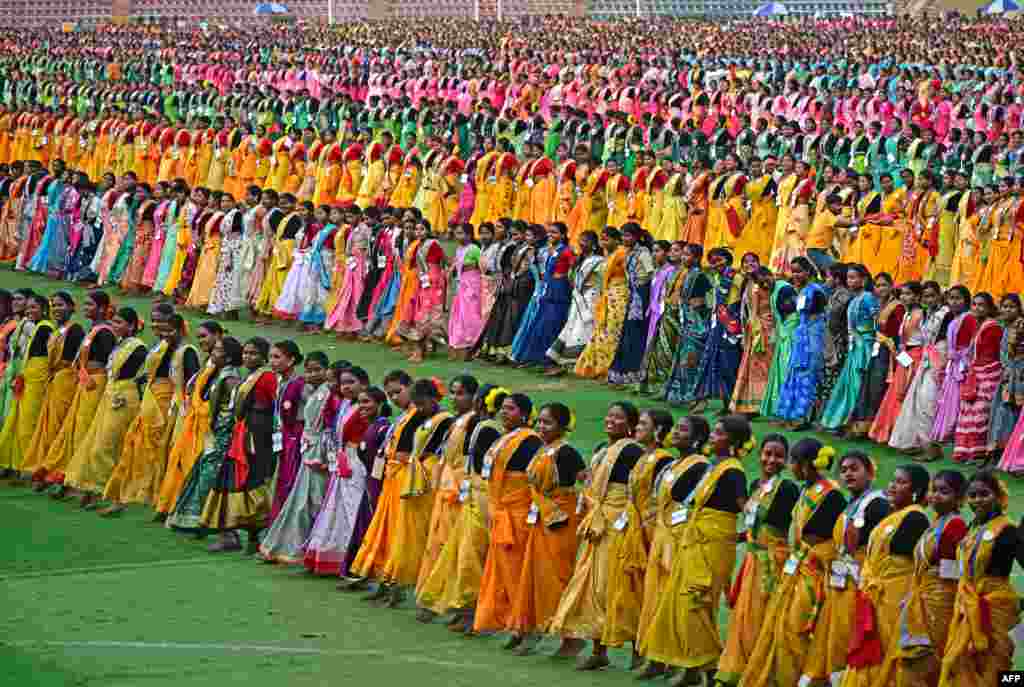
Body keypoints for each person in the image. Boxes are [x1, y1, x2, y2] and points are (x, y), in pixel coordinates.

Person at [639, 415, 749, 686]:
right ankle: (691, 668)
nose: (713, 436)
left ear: (733, 441)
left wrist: (745, 535)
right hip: (694, 541)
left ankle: (712, 669)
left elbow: (745, 506)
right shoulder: (714, 466)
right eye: (714, 432)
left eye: (720, 433)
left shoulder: (733, 470)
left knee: (695, 604)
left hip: (713, 544)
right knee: (681, 604)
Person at [740, 438, 846, 687]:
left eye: (793, 462)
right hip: (797, 566)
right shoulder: (806, 490)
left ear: (807, 465)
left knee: (798, 628)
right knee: (782, 626)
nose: (790, 467)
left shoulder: (830, 494)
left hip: (814, 571)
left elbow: (818, 536)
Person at [715, 434, 798, 686]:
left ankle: (760, 672)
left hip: (772, 562)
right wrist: (738, 537)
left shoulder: (787, 489)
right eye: (767, 453)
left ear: (786, 461)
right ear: (759, 454)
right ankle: (735, 669)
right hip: (752, 558)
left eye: (778, 455)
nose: (771, 459)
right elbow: (754, 524)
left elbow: (790, 529)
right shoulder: (754, 486)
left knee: (762, 617)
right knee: (742, 615)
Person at [839, 463, 931, 687]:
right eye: (893, 480)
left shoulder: (915, 519)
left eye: (901, 482)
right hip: (876, 594)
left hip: (894, 597)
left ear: (915, 491)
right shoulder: (895, 515)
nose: (892, 486)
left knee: (886, 649)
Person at [100, 311, 199, 516]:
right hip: (150, 401)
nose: (165, 335)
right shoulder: (161, 347)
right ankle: (128, 497)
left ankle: (160, 500)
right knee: (134, 449)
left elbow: (190, 383)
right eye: (162, 330)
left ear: (181, 330)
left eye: (170, 331)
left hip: (168, 406)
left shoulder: (186, 351)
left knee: (161, 453)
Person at [635, 415, 710, 680]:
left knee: (676, 603)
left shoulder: (701, 467)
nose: (677, 432)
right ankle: (657, 658)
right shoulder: (672, 465)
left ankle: (686, 664)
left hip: (681, 540)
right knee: (654, 599)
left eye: (683, 429)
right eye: (676, 428)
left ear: (698, 438)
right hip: (661, 536)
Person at [875, 470, 968, 687]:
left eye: (944, 492)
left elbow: (955, 573)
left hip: (939, 603)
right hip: (922, 599)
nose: (935, 496)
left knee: (924, 659)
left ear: (959, 498)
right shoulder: (936, 523)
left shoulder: (956, 525)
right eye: (933, 490)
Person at [808, 451, 891, 684]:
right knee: (835, 636)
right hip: (840, 581)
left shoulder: (878, 504)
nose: (848, 474)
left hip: (860, 583)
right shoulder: (851, 504)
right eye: (843, 470)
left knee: (849, 637)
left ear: (870, 472)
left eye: (854, 468)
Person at [602, 409, 675, 668]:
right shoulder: (644, 456)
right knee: (627, 590)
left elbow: (664, 500)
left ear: (658, 431)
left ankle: (651, 655)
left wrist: (647, 524)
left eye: (644, 424)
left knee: (648, 592)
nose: (639, 427)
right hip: (632, 529)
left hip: (649, 532)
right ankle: (633, 648)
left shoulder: (664, 460)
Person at [937, 470, 1023, 686]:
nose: (978, 500)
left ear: (998, 496)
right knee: (957, 662)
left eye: (984, 494)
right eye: (972, 495)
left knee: (996, 669)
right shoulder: (971, 528)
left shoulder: (1008, 529)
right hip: (966, 607)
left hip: (995, 609)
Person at [350, 371, 427, 604]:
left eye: (398, 391)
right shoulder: (403, 416)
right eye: (390, 394)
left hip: (403, 479)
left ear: (410, 388)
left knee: (398, 534)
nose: (394, 397)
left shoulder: (417, 417)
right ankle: (385, 581)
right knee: (385, 533)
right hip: (390, 479)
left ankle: (397, 584)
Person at [62, 308, 147, 511]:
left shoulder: (138, 347)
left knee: (108, 447)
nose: (115, 326)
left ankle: (115, 497)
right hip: (110, 396)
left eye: (119, 322)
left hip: (124, 399)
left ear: (132, 325)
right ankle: (97, 492)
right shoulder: (120, 345)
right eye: (114, 322)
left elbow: (145, 373)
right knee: (96, 444)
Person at [472, 393, 542, 635]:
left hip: (518, 516)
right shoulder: (505, 438)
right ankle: (509, 622)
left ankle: (525, 627)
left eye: (511, 409)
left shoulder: (531, 441)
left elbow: (533, 480)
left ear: (524, 414)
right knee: (501, 571)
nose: (504, 413)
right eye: (503, 408)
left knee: (517, 573)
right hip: (500, 511)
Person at [259, 350, 338, 563]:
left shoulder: (326, 394)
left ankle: (313, 548)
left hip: (319, 454)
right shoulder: (314, 390)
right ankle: (297, 546)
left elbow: (330, 428)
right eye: (309, 370)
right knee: (303, 501)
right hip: (307, 450)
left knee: (314, 501)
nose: (312, 374)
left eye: (318, 370)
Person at [200, 337, 277, 554]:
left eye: (253, 353)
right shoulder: (250, 376)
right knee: (234, 482)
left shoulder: (267, 377)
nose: (247, 357)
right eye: (245, 353)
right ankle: (236, 535)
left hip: (257, 437)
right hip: (243, 434)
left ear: (263, 357)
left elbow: (275, 407)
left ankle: (253, 537)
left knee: (250, 483)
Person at [33, 290, 115, 492]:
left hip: (94, 384)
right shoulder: (92, 329)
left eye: (90, 305)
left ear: (103, 308)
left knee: (83, 430)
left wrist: (89, 376)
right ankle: (64, 474)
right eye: (85, 304)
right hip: (84, 383)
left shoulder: (104, 331)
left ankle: (79, 479)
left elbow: (108, 361)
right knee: (72, 429)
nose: (86, 308)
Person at [414, 376, 479, 622]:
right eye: (452, 392)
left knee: (455, 549)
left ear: (474, 397)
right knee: (438, 545)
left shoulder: (475, 423)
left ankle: (460, 605)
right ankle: (441, 598)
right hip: (445, 486)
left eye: (460, 393)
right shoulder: (457, 421)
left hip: (459, 490)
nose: (455, 398)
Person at [166, 337, 243, 536]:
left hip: (222, 435)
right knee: (203, 474)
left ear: (227, 358)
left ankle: (203, 520)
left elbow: (236, 410)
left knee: (210, 477)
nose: (213, 353)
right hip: (214, 433)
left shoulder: (231, 378)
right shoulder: (221, 374)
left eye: (218, 350)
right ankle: (194, 519)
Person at [303, 365, 371, 574]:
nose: (346, 387)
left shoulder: (366, 407)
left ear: (364, 384)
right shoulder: (344, 405)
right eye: (343, 383)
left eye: (352, 382)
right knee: (336, 508)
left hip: (357, 463)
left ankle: (356, 560)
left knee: (352, 509)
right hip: (341, 461)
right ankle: (333, 556)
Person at [20, 292, 83, 483]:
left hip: (66, 379)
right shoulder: (58, 330)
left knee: (58, 424)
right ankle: (43, 465)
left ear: (72, 307)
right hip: (54, 379)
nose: (56, 309)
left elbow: (74, 360)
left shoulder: (75, 329)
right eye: (54, 305)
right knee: (47, 424)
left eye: (61, 305)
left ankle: (55, 468)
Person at [821, 264, 881, 432]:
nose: (850, 281)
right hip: (855, 346)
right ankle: (842, 421)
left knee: (857, 383)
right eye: (848, 277)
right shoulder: (854, 299)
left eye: (854, 277)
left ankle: (853, 423)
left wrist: (870, 341)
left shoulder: (868, 297)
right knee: (849, 383)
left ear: (864, 280)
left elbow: (877, 322)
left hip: (866, 346)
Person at [0, 292, 52, 476]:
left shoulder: (45, 328)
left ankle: (26, 467)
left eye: (34, 307)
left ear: (44, 309)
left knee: (27, 425)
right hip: (24, 376)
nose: (30, 311)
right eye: (28, 307)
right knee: (14, 421)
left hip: (36, 380)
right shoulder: (33, 325)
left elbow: (48, 357)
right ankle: (11, 464)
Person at [775, 257, 828, 429]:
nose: (795, 275)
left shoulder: (816, 291)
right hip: (801, 337)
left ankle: (803, 418)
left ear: (808, 271)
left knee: (808, 376)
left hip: (813, 337)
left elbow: (818, 316)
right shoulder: (803, 290)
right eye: (793, 271)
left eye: (799, 271)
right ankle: (790, 413)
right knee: (795, 374)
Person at [952, 293, 1004, 464]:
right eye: (974, 304)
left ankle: (979, 453)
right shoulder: (977, 325)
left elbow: (991, 356)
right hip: (976, 372)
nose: (976, 308)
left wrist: (978, 372)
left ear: (989, 308)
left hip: (988, 373)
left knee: (980, 414)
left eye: (981, 305)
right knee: (969, 412)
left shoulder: (993, 327)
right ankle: (969, 452)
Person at [574, 228, 628, 379]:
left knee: (613, 330)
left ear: (617, 240)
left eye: (606, 239)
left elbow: (630, 277)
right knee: (602, 329)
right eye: (601, 239)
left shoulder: (622, 253)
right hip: (607, 295)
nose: (603, 243)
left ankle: (608, 367)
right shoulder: (607, 255)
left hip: (620, 296)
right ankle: (595, 365)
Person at [267, 339, 307, 523]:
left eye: (277, 357)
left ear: (291, 361)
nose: (272, 361)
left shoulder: (300, 384)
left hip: (295, 438)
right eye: (270, 357)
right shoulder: (280, 381)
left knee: (289, 480)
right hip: (282, 435)